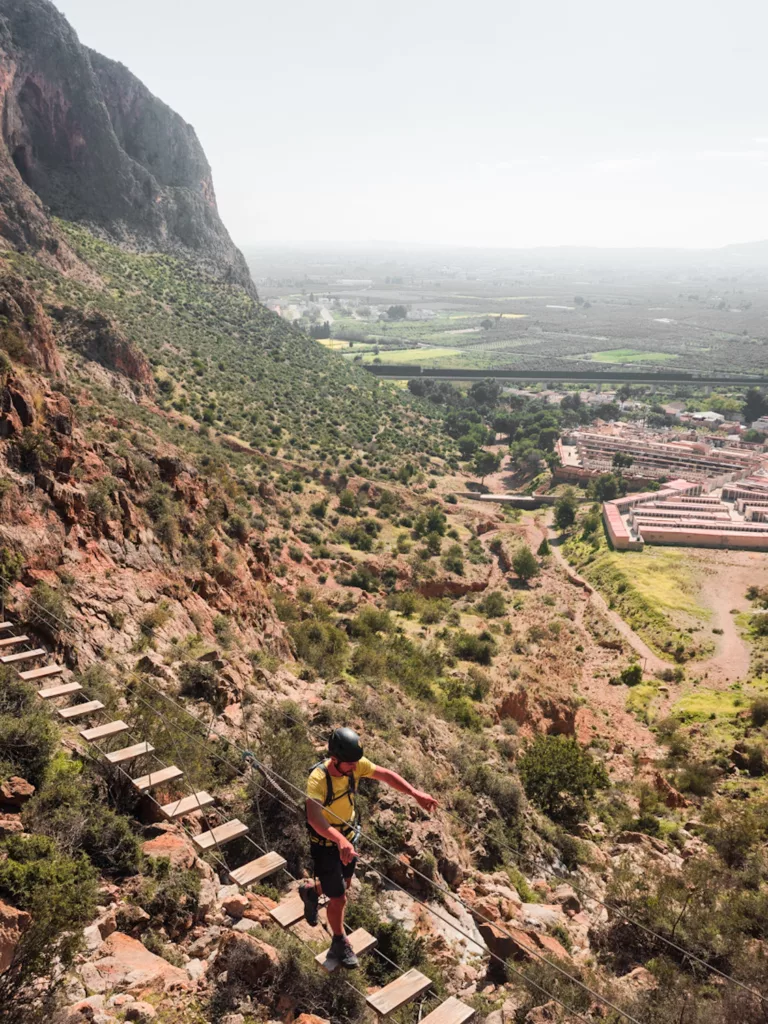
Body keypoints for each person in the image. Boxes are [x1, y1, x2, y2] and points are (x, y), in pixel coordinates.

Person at [300, 726, 438, 968]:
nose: (355, 767)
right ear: (335, 759)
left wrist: (414, 793)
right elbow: (314, 818)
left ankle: (312, 893)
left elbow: (385, 775)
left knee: (344, 884)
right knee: (339, 898)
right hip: (326, 844)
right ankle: (339, 941)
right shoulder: (318, 780)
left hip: (348, 837)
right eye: (350, 763)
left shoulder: (353, 765)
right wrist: (339, 840)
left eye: (356, 762)